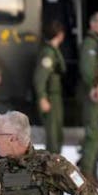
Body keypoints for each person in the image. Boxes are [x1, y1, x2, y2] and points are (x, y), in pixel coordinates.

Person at [78, 13, 98, 188]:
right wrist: (96, 86)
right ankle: (87, 175)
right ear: (92, 24)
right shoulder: (90, 44)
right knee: (93, 134)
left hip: (97, 95)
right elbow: (88, 68)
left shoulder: (97, 43)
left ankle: (92, 173)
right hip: (93, 95)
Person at [33, 21, 67, 155]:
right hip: (51, 97)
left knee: (57, 135)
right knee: (53, 138)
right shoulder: (48, 53)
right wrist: (42, 98)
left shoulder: (53, 51)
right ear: (59, 35)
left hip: (55, 97)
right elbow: (40, 77)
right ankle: (50, 171)